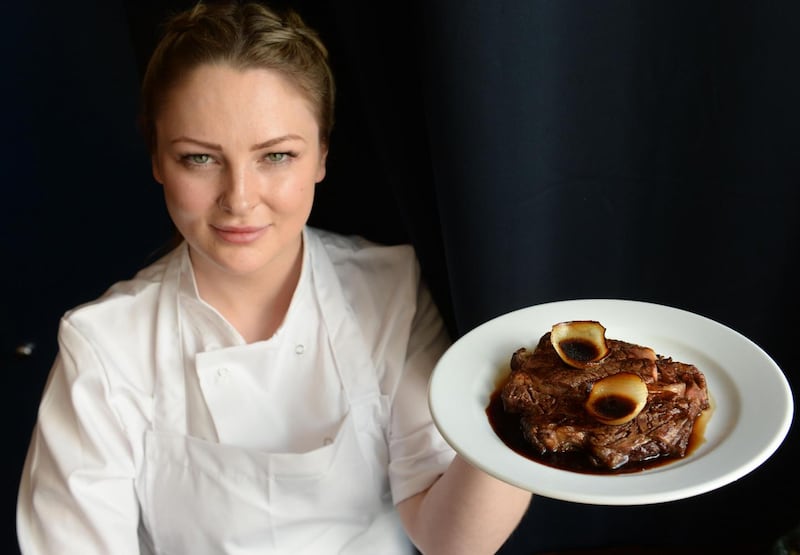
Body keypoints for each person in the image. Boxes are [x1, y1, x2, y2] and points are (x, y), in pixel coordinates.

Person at [16, 1, 532, 553]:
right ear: (158, 160)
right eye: (199, 158)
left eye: (277, 156)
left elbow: (449, 540)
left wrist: (530, 415)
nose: (240, 198)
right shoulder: (104, 344)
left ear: (322, 157)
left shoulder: (392, 291)